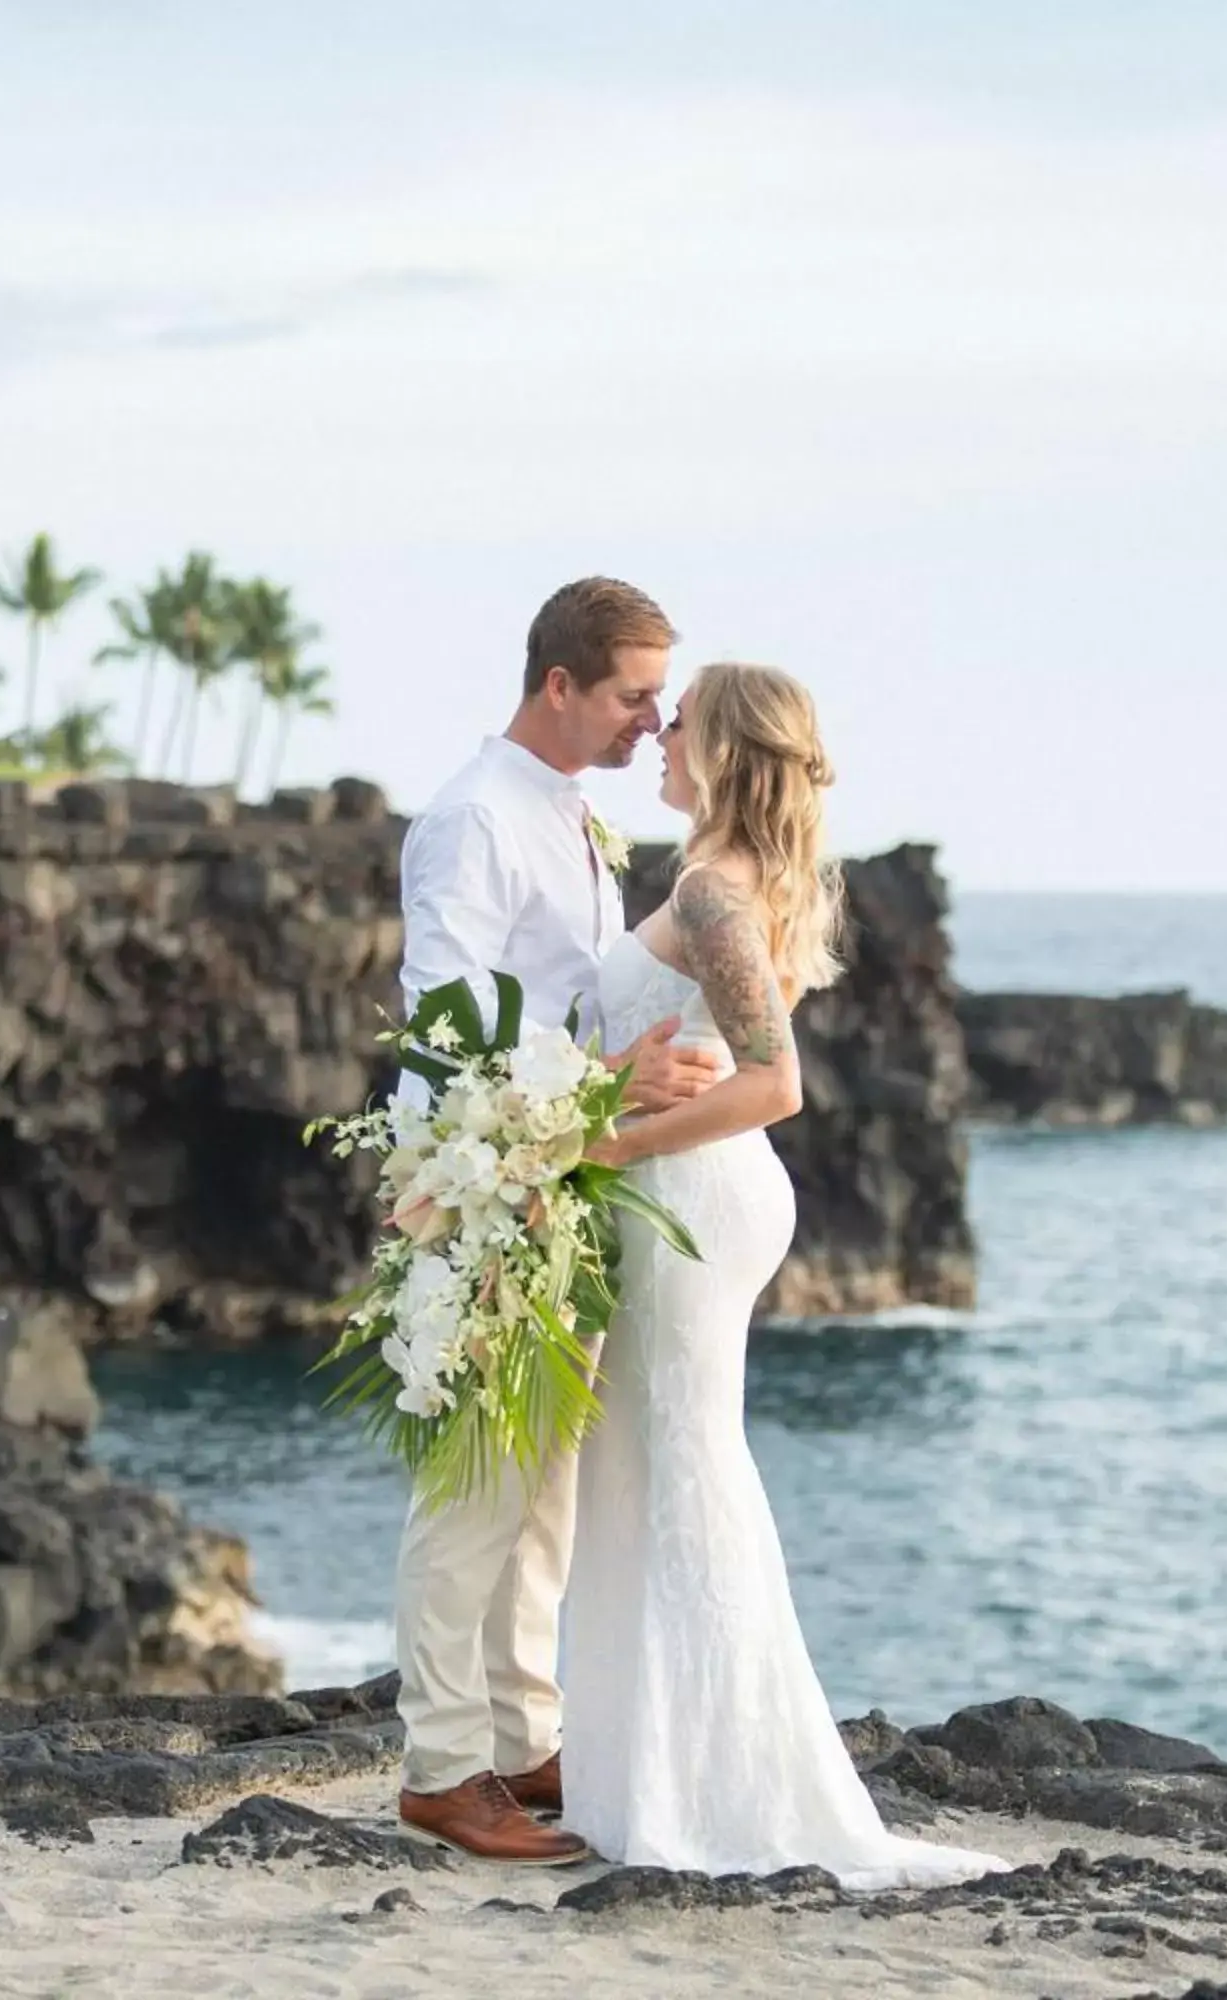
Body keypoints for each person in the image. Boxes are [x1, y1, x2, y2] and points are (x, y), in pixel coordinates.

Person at [558, 661, 1001, 1890]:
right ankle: (650, 1775)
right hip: (690, 1190)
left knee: (683, 1461)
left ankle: (722, 1794)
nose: (658, 730)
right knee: (643, 1462)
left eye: (679, 717)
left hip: (690, 1197)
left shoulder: (710, 888)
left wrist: (606, 1141)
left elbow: (775, 1079)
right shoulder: (726, 876)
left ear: (725, 746)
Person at [389, 577, 718, 1864]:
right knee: (474, 1482)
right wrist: (601, 1089)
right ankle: (441, 1766)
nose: (654, 720)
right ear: (561, 685)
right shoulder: (472, 818)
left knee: (545, 1483)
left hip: (566, 1172)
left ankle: (524, 1739)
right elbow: (443, 1023)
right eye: (636, 695)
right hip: (487, 1178)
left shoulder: (571, 811)